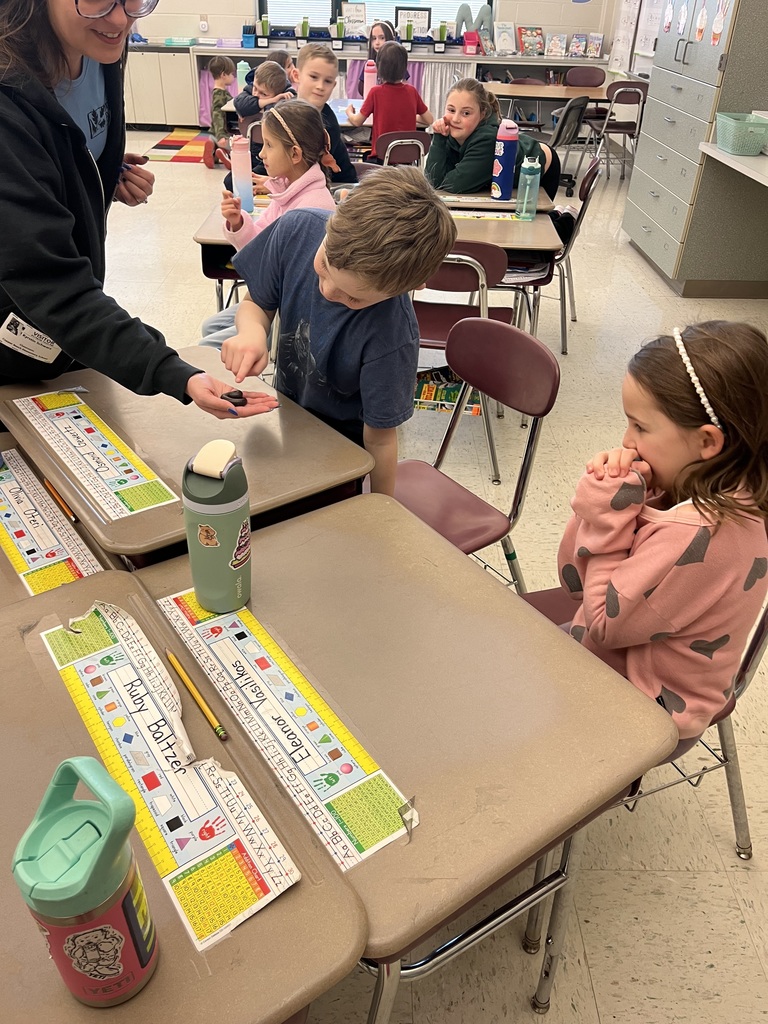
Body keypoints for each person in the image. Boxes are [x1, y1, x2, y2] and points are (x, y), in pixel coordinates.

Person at [0, 0, 276, 421]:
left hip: (71, 324)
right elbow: (49, 283)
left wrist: (96, 174)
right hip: (20, 330)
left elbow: (64, 141)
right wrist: (174, 372)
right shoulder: (8, 99)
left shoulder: (99, 47)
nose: (120, 19)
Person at [557, 321, 768, 741]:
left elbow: (599, 621)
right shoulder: (722, 484)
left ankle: (385, 805)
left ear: (708, 441)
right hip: (619, 664)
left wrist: (606, 514)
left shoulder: (700, 534)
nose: (626, 440)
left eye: (639, 426)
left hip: (643, 707)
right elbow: (574, 580)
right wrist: (618, 502)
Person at [219, 167, 458, 495]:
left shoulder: (392, 336)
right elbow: (255, 305)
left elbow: (380, 439)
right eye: (324, 265)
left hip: (342, 459)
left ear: (412, 287)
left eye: (354, 297)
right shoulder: (297, 228)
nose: (330, 290)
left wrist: (381, 508)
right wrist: (252, 332)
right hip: (286, 420)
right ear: (337, 211)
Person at [200, 101, 338, 350]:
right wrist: (238, 222)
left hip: (287, 316)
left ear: (295, 154)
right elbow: (260, 246)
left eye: (269, 145)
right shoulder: (287, 191)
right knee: (210, 328)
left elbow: (280, 276)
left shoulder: (312, 208)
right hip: (275, 299)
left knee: (206, 347)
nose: (261, 153)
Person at [225, 44, 355, 194]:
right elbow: (275, 154)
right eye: (314, 77)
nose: (320, 86)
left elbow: (309, 175)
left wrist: (271, 184)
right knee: (234, 181)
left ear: (334, 85)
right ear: (296, 75)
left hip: (335, 188)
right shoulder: (285, 110)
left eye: (327, 81)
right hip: (293, 177)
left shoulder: (327, 125)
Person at [425, 79, 560, 198]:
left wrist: (447, 176)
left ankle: (565, 217)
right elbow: (433, 181)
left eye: (466, 113)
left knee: (535, 221)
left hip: (540, 165)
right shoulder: (451, 132)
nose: (455, 119)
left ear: (482, 114)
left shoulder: (488, 139)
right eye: (451, 110)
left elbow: (455, 185)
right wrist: (439, 138)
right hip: (517, 157)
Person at [346, 41, 432, 158]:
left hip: (382, 158)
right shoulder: (412, 91)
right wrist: (409, 116)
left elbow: (357, 121)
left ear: (379, 67)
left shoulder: (375, 92)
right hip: (407, 160)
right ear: (405, 67)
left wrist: (349, 112)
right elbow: (429, 120)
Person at [203, 55, 235, 169]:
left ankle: (215, 150)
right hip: (222, 133)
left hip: (214, 132)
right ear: (223, 75)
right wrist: (221, 135)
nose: (233, 77)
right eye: (232, 74)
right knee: (237, 146)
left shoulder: (217, 92)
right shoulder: (220, 95)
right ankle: (226, 154)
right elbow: (217, 114)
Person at [356, 21, 396, 94]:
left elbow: (403, 89)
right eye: (374, 38)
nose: (377, 42)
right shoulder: (370, 64)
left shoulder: (398, 64)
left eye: (382, 38)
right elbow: (361, 88)